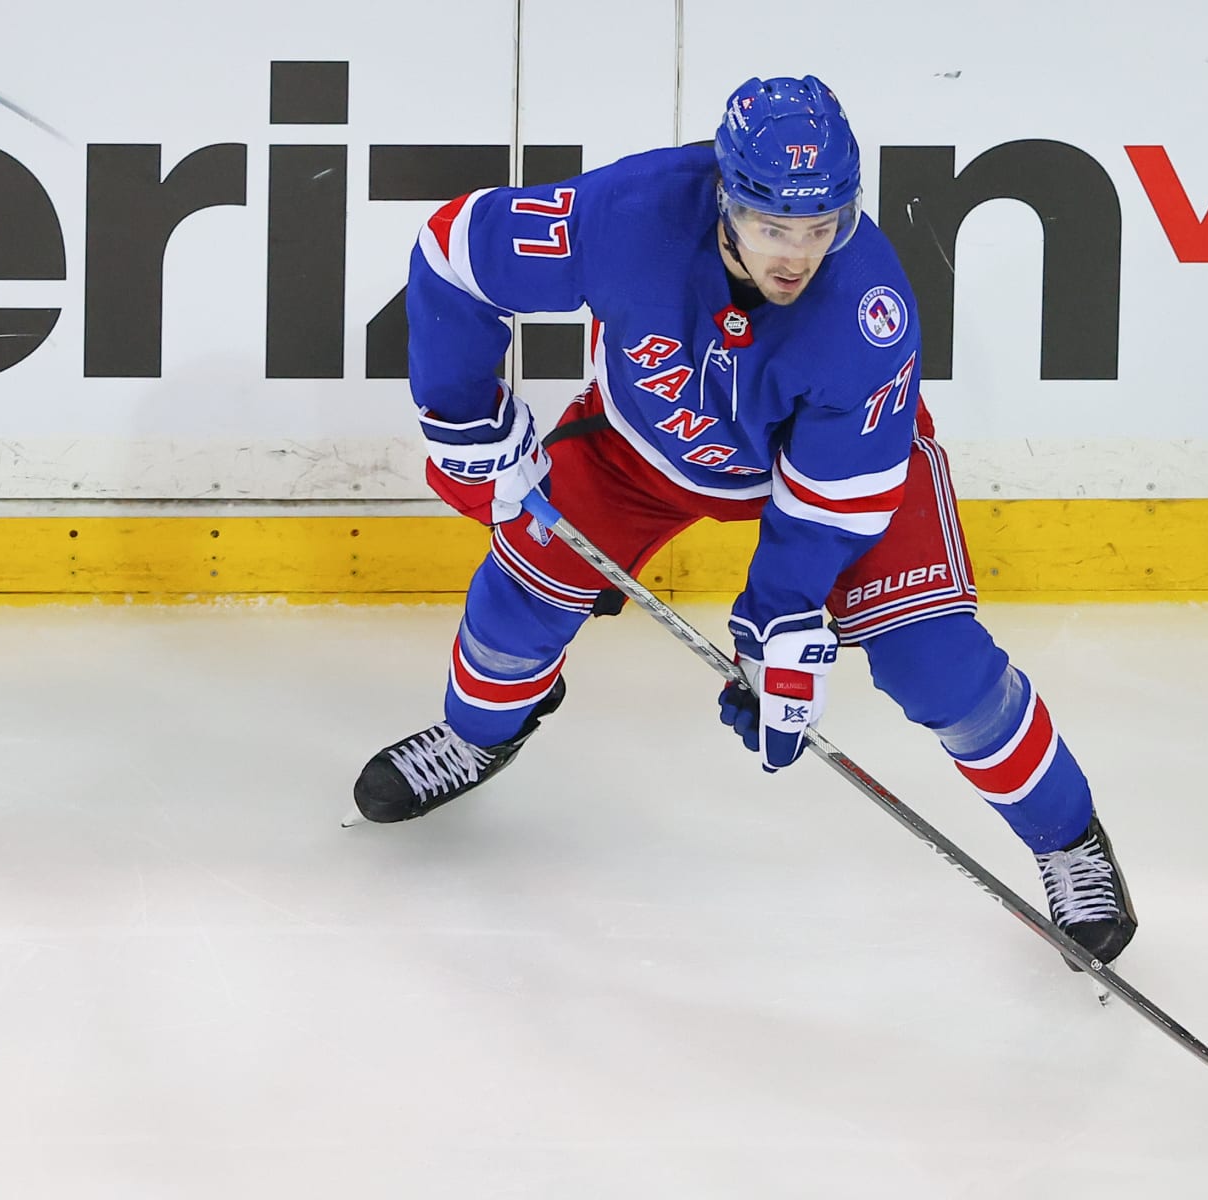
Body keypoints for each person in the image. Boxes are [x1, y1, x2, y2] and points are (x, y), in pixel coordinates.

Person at [353, 75, 1137, 965]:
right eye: (773, 228)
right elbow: (453, 253)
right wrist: (461, 415)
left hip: (828, 488)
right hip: (643, 448)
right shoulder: (629, 215)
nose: (797, 255)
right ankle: (475, 738)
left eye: (821, 227)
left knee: (938, 668)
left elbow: (834, 504)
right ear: (725, 197)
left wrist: (778, 623)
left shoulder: (868, 316)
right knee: (516, 606)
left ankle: (1067, 836)